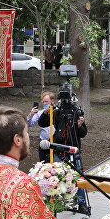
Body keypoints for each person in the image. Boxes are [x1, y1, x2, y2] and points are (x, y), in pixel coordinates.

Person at [38, 84, 89, 212]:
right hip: (58, 150)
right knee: (57, 176)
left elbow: (83, 133)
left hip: (73, 149)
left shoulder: (76, 111)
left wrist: (79, 125)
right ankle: (57, 202)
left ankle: (81, 202)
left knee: (78, 177)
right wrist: (45, 113)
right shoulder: (57, 111)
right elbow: (42, 123)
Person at [28, 91, 56, 162]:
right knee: (43, 164)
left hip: (56, 142)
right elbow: (29, 124)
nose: (44, 103)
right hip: (43, 142)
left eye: (46, 101)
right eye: (43, 102)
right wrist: (31, 114)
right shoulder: (40, 113)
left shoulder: (58, 112)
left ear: (52, 101)